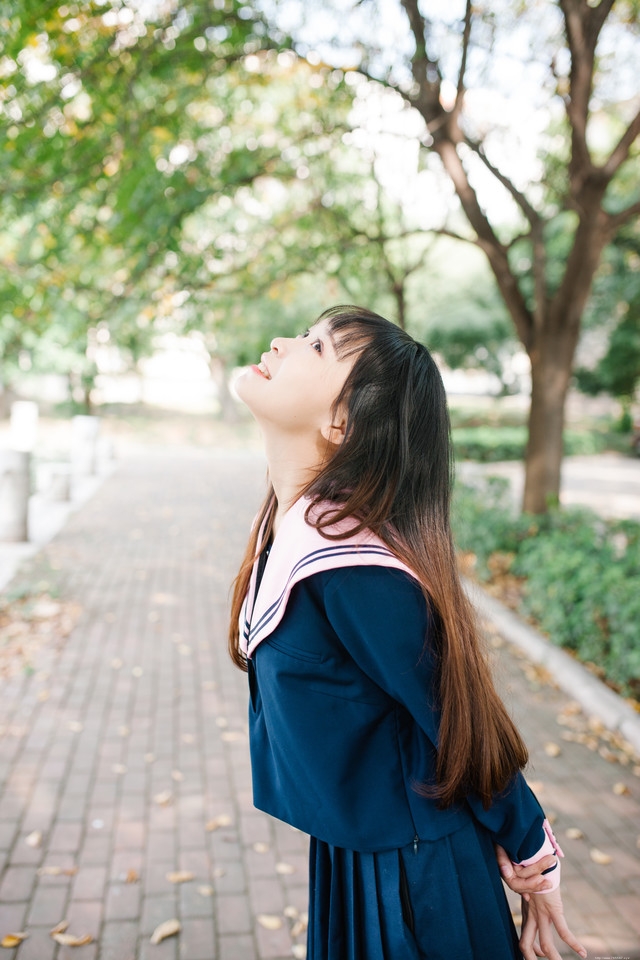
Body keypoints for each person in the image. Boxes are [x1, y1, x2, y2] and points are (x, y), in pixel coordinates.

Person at [229, 305, 587, 960]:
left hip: (414, 880)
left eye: (314, 346)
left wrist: (536, 854)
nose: (280, 341)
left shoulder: (354, 568)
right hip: (360, 853)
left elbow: (457, 719)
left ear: (343, 423)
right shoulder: (298, 528)